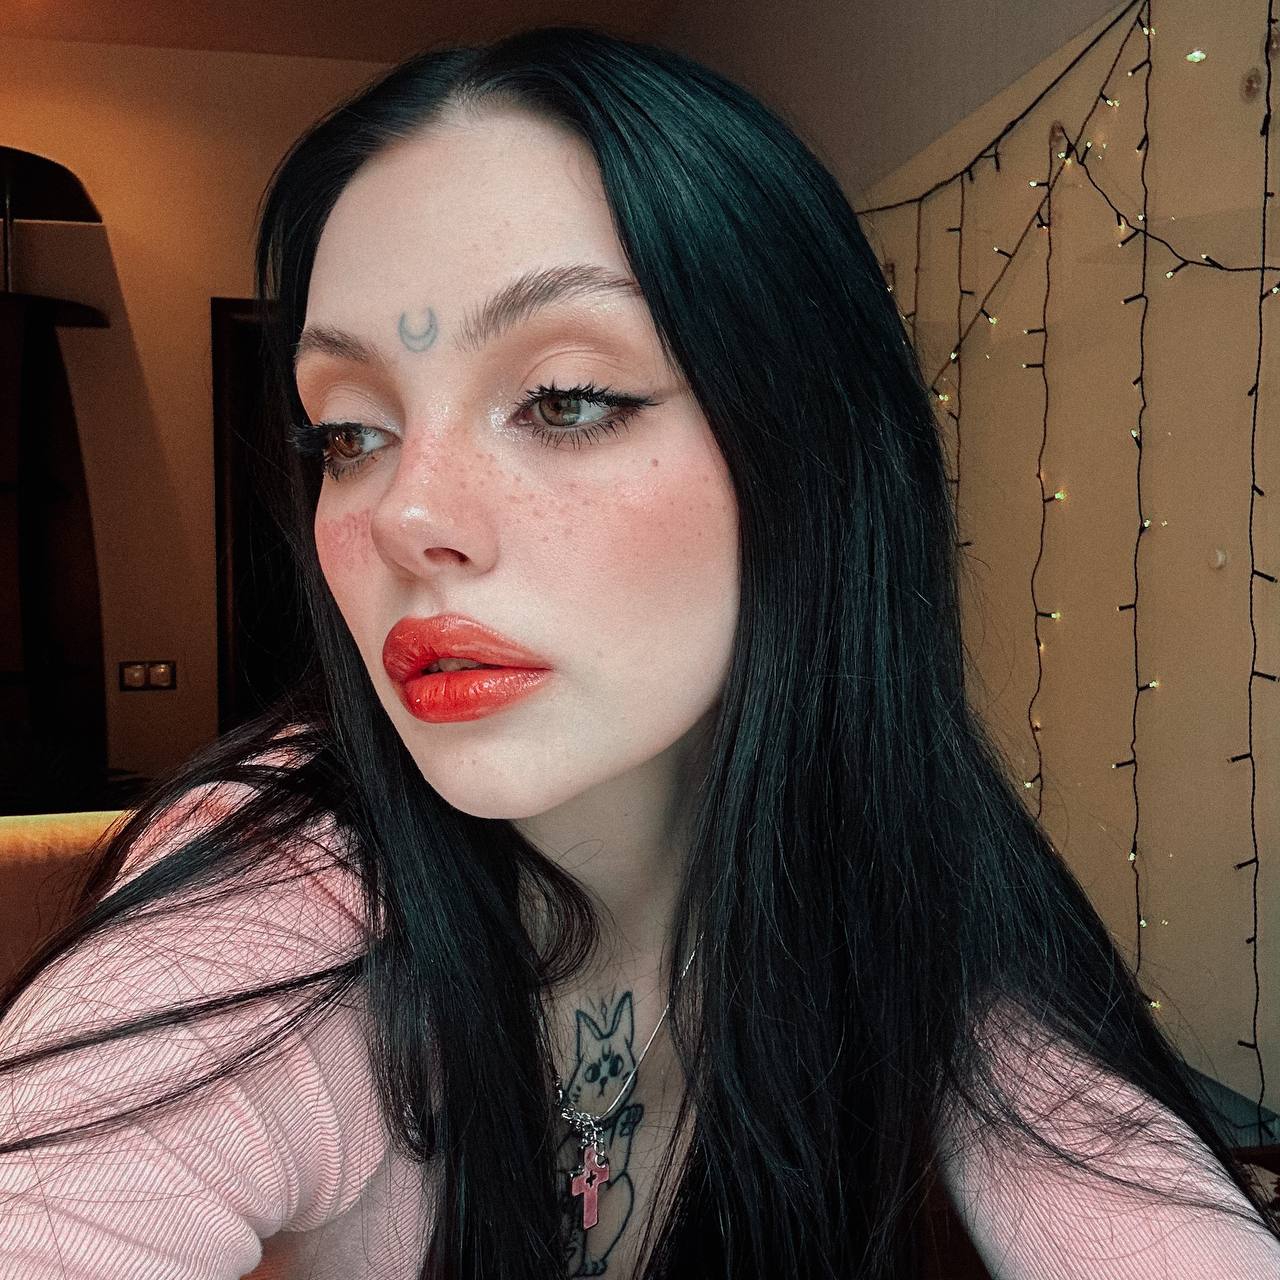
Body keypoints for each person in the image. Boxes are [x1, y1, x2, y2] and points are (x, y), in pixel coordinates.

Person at [2, 22, 1278, 1280]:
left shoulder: (904, 877)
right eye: (348, 431)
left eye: (565, 399)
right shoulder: (281, 915)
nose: (403, 514)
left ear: (811, 461)